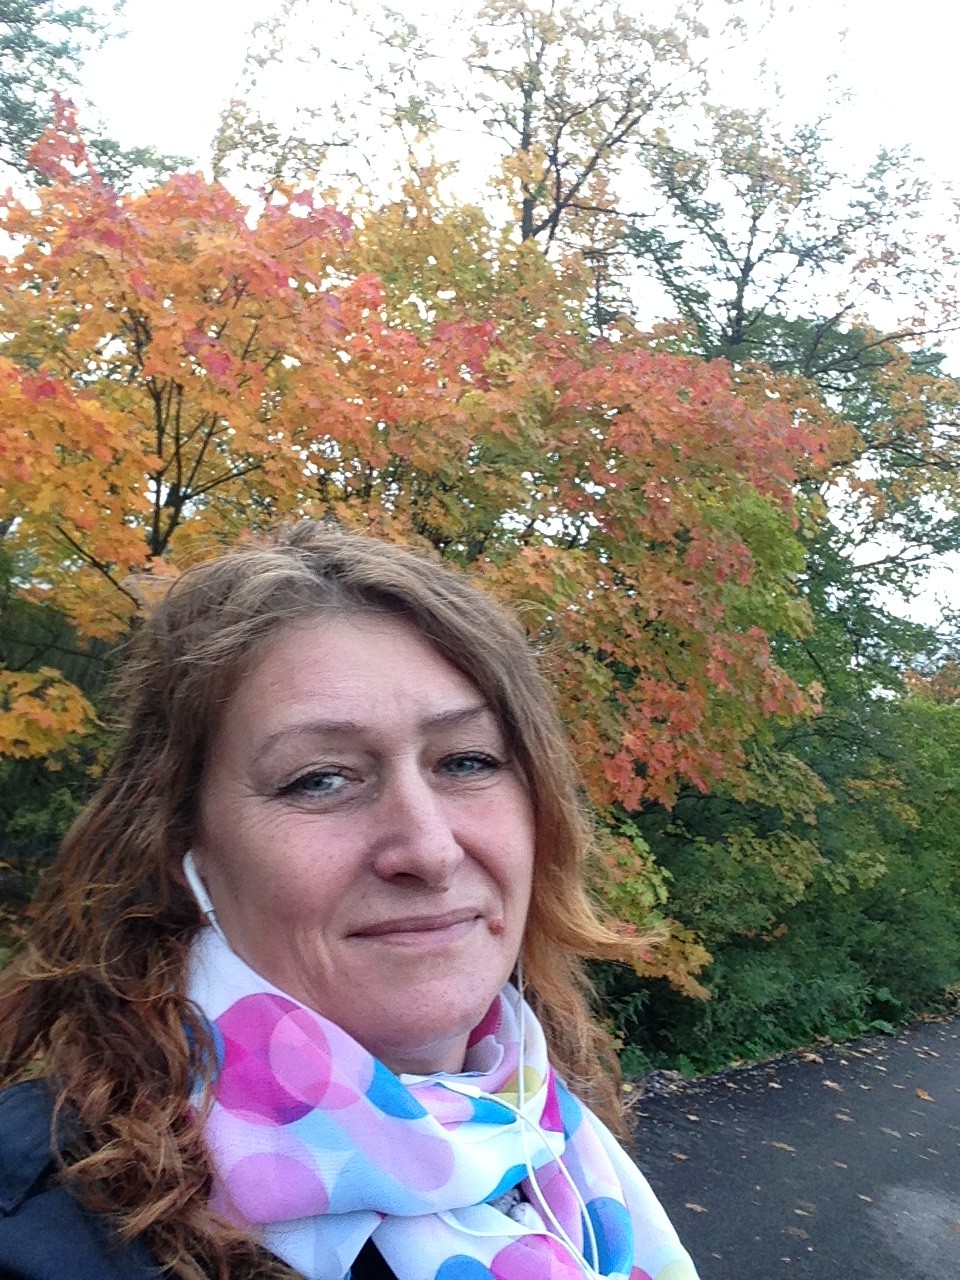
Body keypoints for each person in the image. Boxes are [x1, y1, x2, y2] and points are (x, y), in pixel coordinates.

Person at [0, 524, 700, 1280]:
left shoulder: (557, 1140)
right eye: (321, 779)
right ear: (181, 848)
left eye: (467, 762)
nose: (429, 850)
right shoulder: (40, 1226)